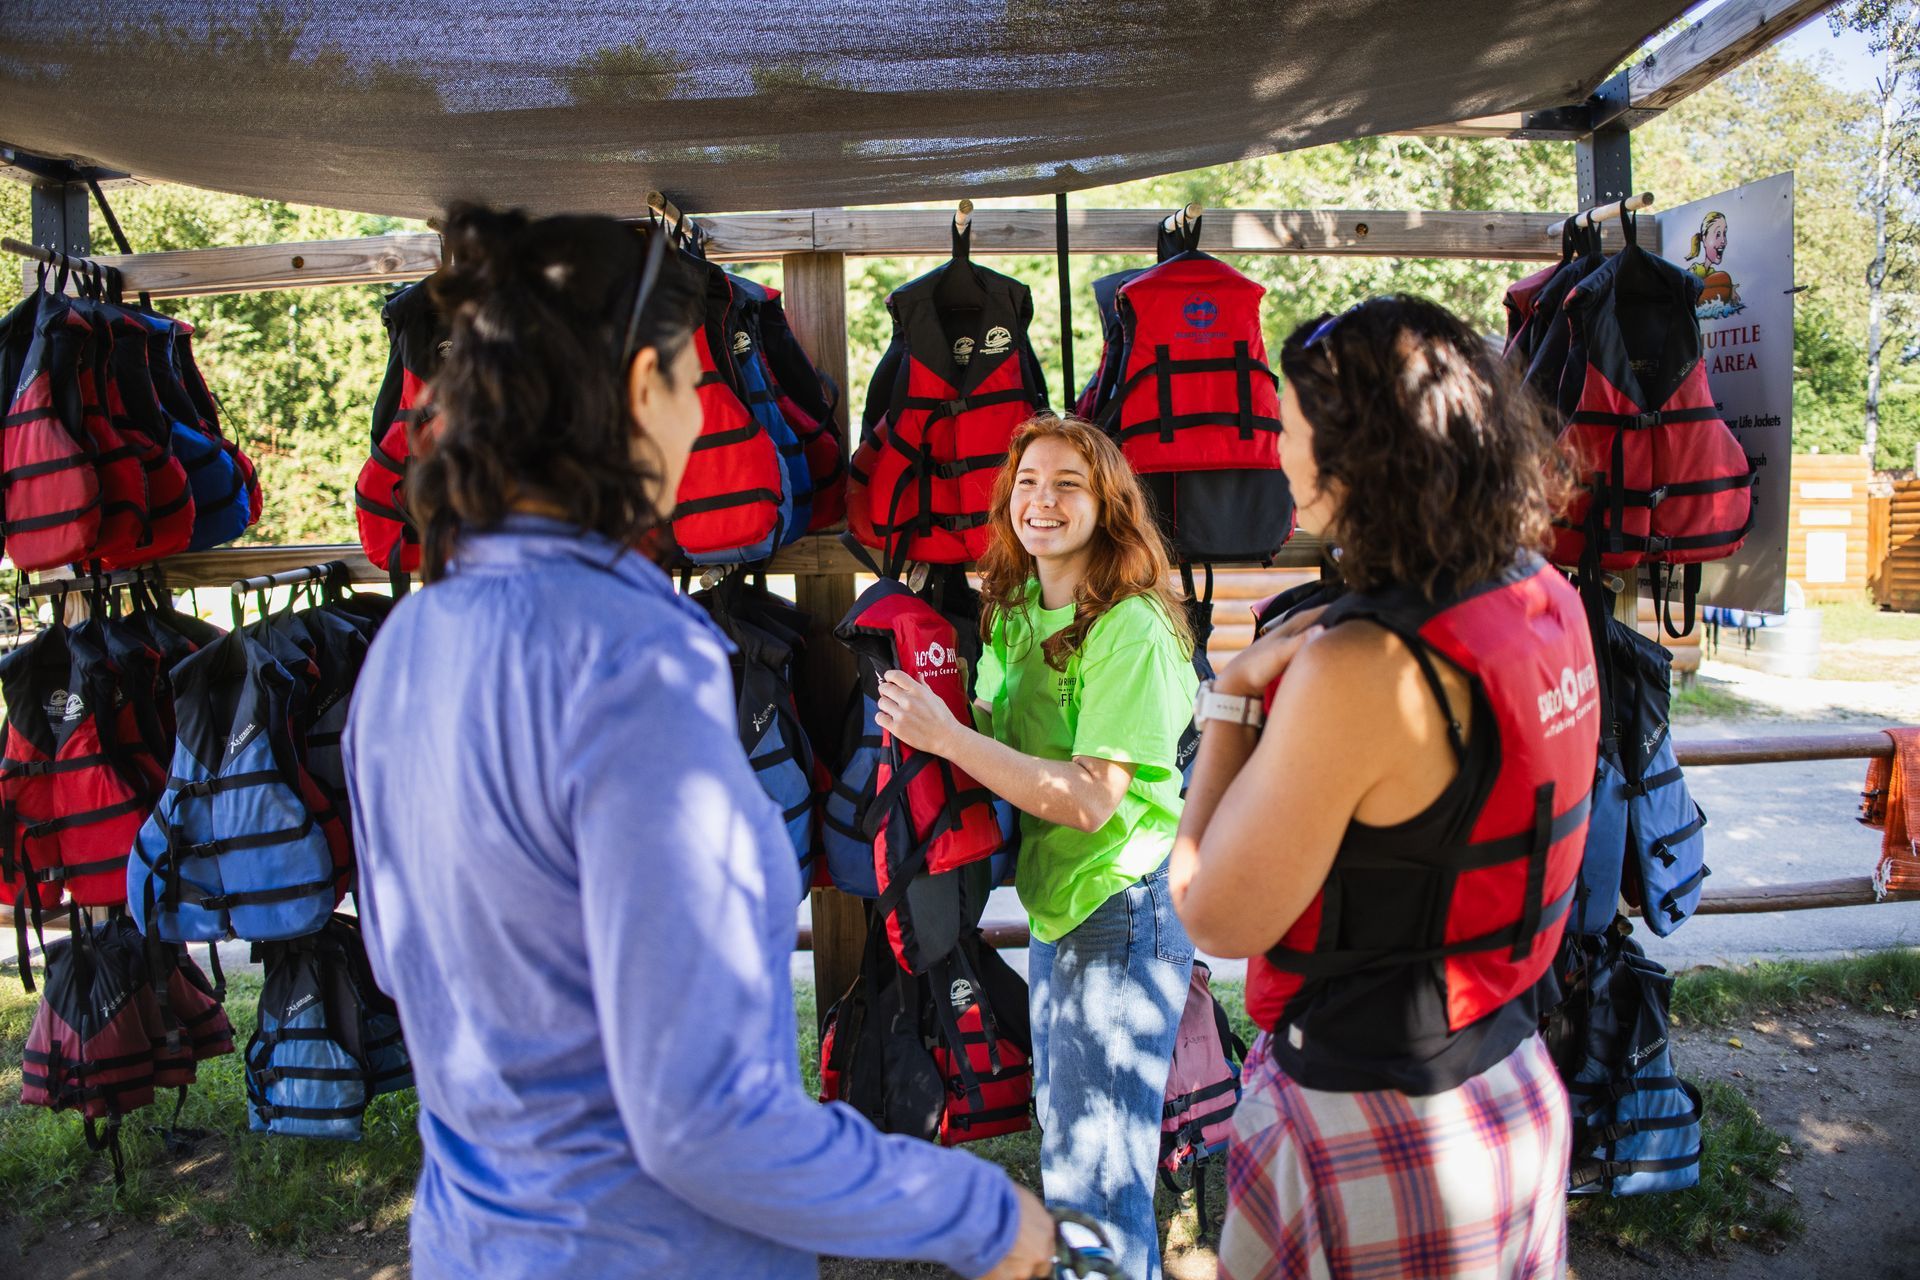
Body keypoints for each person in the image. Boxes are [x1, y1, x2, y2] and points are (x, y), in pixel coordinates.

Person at [343, 205, 1054, 1280]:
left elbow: (409, 967)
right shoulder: (636, 659)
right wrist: (976, 1211)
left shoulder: (405, 644)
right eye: (689, 381)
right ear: (638, 392)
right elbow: (702, 1116)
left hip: (475, 1243)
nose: (698, 412)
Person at [1170, 296, 1592, 1279]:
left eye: (1286, 425)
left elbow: (1215, 912)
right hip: (1513, 1088)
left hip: (1378, 1122)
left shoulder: (1363, 663)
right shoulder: (1543, 595)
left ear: (1354, 456)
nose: (1275, 451)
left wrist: (1231, 699)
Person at [874, 414, 1199, 1280]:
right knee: (1073, 1151)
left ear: (1109, 503)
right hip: (1062, 906)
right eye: (1026, 482)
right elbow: (997, 741)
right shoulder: (1014, 608)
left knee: (1097, 1174)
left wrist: (946, 739)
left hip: (1122, 907)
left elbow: (1092, 798)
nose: (1041, 501)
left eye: (1067, 484)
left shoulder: (1131, 626)